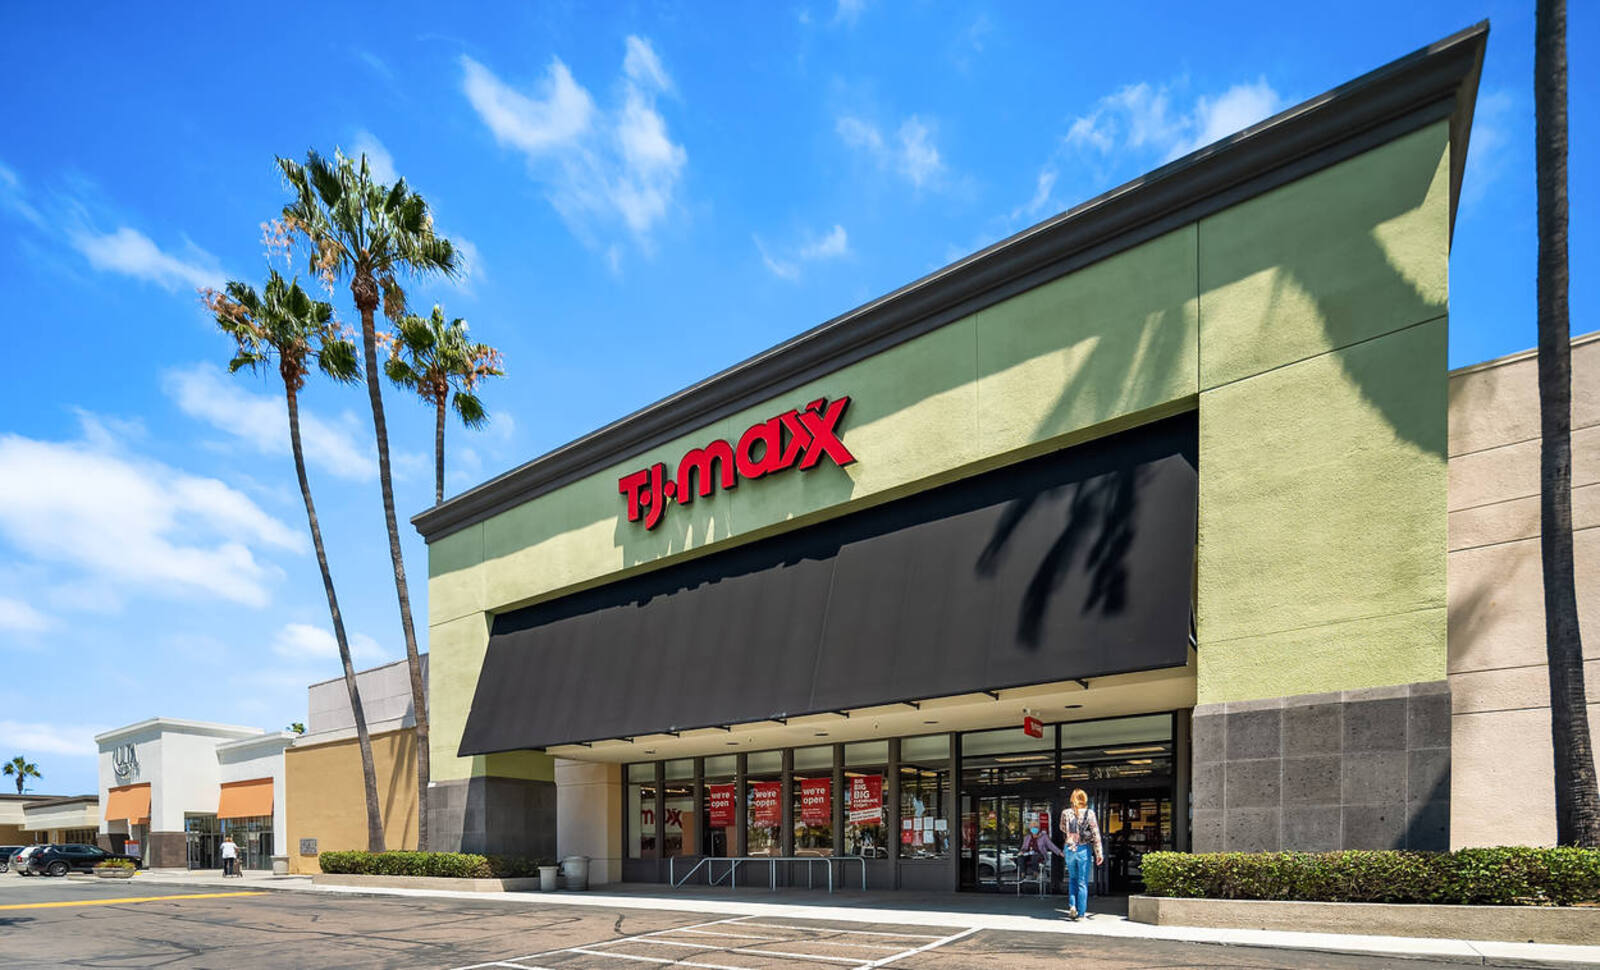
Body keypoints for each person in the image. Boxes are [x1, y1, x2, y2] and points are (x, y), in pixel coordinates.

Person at [1060, 790, 1103, 920]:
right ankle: (1081, 914)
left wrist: (1071, 832)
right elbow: (1095, 834)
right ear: (1084, 799)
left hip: (1069, 848)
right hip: (1083, 848)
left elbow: (1062, 828)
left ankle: (1072, 906)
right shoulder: (1090, 813)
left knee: (1072, 879)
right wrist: (1099, 853)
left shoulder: (1066, 813)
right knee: (1082, 882)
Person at [1018, 819, 1063, 888]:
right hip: (1028, 854)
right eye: (1032, 827)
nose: (1034, 829)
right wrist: (1022, 851)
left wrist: (1060, 852)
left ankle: (1035, 873)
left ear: (1038, 828)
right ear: (1030, 828)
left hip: (1039, 855)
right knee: (1021, 857)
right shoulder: (1027, 837)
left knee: (1035, 856)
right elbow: (1024, 847)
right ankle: (1023, 874)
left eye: (1035, 827)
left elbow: (1051, 846)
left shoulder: (1044, 836)